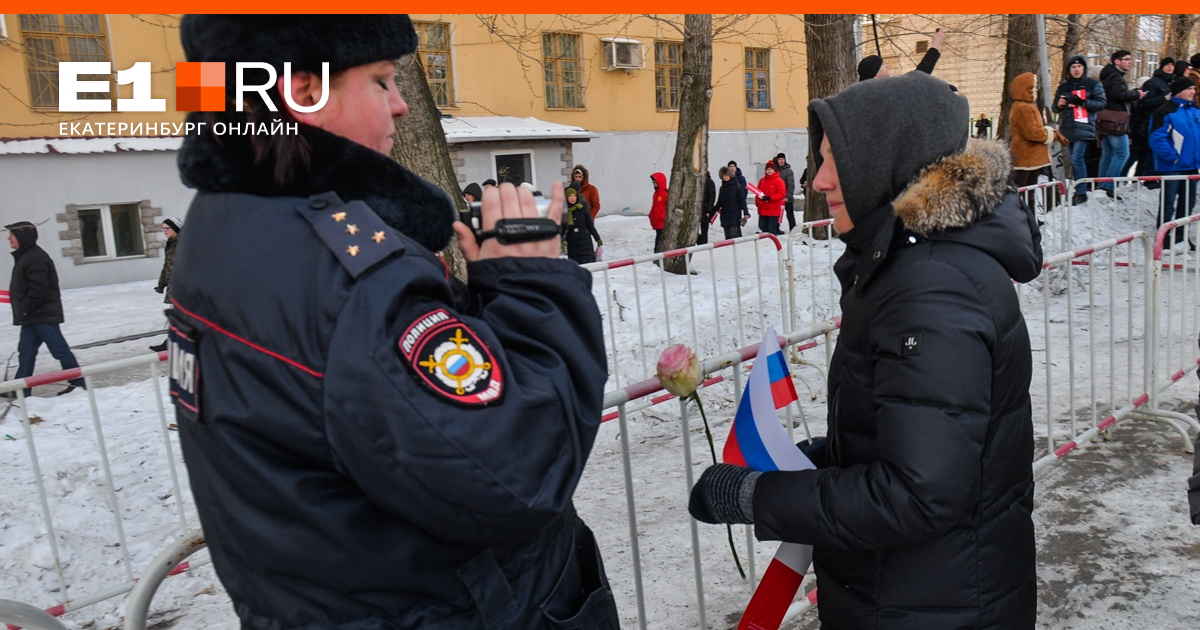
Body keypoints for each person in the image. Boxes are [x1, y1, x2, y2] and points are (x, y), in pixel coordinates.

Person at [171, 15, 618, 629]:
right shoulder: (351, 279)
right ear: (303, 93)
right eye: (381, 81)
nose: (403, 105)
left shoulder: (223, 219)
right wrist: (534, 286)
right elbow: (519, 471)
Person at [688, 72, 1041, 628]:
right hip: (922, 591)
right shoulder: (915, 265)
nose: (820, 179)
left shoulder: (931, 288)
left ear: (887, 162)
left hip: (927, 604)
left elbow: (917, 495)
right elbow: (930, 440)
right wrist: (826, 457)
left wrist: (760, 497)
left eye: (835, 159)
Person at [4, 221, 87, 398]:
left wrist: (24, 308)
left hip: (42, 316)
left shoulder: (35, 258)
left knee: (59, 350)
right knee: (26, 353)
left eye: (12, 235)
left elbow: (39, 290)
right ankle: (21, 389)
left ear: (22, 237)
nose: (8, 238)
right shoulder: (26, 256)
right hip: (33, 317)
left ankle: (78, 383)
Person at [1149, 77, 1200, 251]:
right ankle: (1163, 238)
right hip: (1172, 167)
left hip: (1192, 166)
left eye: (1194, 88)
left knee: (1188, 204)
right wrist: (1174, 157)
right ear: (1179, 91)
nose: (1193, 92)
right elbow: (1157, 138)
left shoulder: (1195, 110)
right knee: (1168, 204)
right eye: (1189, 89)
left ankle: (1180, 238)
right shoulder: (1164, 111)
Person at [1053, 55, 1107, 205]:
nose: (1076, 70)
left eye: (1079, 67)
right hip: (1067, 129)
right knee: (1073, 160)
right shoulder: (1064, 87)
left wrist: (1084, 103)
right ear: (1069, 70)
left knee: (1077, 158)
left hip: (1084, 128)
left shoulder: (1093, 85)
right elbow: (1055, 108)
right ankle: (1079, 188)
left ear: (1084, 68)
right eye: (1073, 67)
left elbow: (1101, 103)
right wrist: (1059, 105)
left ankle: (1081, 192)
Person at [1008, 72, 1068, 202]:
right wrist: (1049, 133)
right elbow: (1032, 132)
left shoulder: (1026, 106)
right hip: (1025, 157)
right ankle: (1022, 218)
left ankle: (1029, 217)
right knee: (1021, 191)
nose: (1036, 89)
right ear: (1025, 89)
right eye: (1033, 86)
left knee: (1028, 191)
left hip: (1030, 157)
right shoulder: (1022, 108)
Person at [1097, 50, 1145, 196]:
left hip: (1106, 120)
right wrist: (1137, 94)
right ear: (1117, 61)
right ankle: (1108, 186)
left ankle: (1101, 184)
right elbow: (1118, 94)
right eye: (1127, 59)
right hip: (1116, 122)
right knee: (1122, 153)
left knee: (1108, 153)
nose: (1130, 62)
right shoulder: (1115, 77)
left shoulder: (1108, 75)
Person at [1130, 58, 1176, 185]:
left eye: (1172, 65)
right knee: (1149, 153)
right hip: (1152, 122)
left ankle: (1150, 179)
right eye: (1167, 65)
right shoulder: (1153, 83)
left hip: (1165, 122)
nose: (1170, 67)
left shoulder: (1170, 83)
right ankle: (1148, 180)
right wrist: (1164, 98)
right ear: (1161, 67)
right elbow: (1145, 102)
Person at [857, 27, 944, 81]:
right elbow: (918, 78)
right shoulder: (884, 94)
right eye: (882, 65)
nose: (887, 66)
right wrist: (935, 45)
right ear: (876, 75)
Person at [149, 217, 183, 353]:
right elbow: (168, 265)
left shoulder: (183, 243)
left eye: (167, 228)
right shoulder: (171, 243)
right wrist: (161, 284)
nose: (164, 231)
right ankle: (172, 341)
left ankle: (171, 342)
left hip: (183, 288)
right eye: (163, 229)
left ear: (175, 228)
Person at [561, 186, 601, 263]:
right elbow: (563, 228)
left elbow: (590, 224)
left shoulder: (582, 208)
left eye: (574, 196)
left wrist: (597, 238)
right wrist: (563, 240)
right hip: (572, 243)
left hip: (585, 241)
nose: (572, 198)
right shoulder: (564, 212)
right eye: (570, 196)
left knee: (588, 264)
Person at [714, 166, 749, 239]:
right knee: (727, 236)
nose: (725, 177)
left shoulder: (737, 187)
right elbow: (719, 202)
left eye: (726, 175)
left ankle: (738, 248)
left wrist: (746, 213)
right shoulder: (722, 188)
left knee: (733, 234)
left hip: (735, 214)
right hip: (725, 214)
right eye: (723, 176)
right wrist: (711, 211)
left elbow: (742, 201)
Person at [754, 160, 787, 235]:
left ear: (774, 170)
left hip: (773, 209)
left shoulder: (779, 181)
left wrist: (770, 197)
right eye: (767, 169)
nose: (769, 171)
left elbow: (781, 193)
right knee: (762, 226)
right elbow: (758, 192)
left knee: (771, 229)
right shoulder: (762, 181)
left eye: (771, 169)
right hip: (763, 208)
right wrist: (758, 202)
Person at [774, 152, 797, 231]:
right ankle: (776, 228)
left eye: (783, 159)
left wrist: (788, 196)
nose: (781, 161)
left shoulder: (788, 171)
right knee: (777, 213)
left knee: (790, 214)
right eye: (780, 159)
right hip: (777, 197)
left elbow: (791, 185)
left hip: (787, 197)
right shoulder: (775, 170)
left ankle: (793, 229)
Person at [649, 171, 668, 251]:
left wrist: (663, 215)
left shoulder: (665, 193)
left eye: (655, 183)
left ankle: (657, 252)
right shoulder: (656, 193)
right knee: (658, 237)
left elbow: (669, 207)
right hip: (657, 220)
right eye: (653, 183)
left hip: (662, 221)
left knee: (659, 238)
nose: (654, 185)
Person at [697, 171, 716, 245]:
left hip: (705, 209)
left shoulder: (709, 182)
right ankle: (700, 242)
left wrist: (709, 210)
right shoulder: (696, 182)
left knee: (704, 229)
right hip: (697, 209)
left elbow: (712, 197)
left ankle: (703, 244)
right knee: (694, 230)